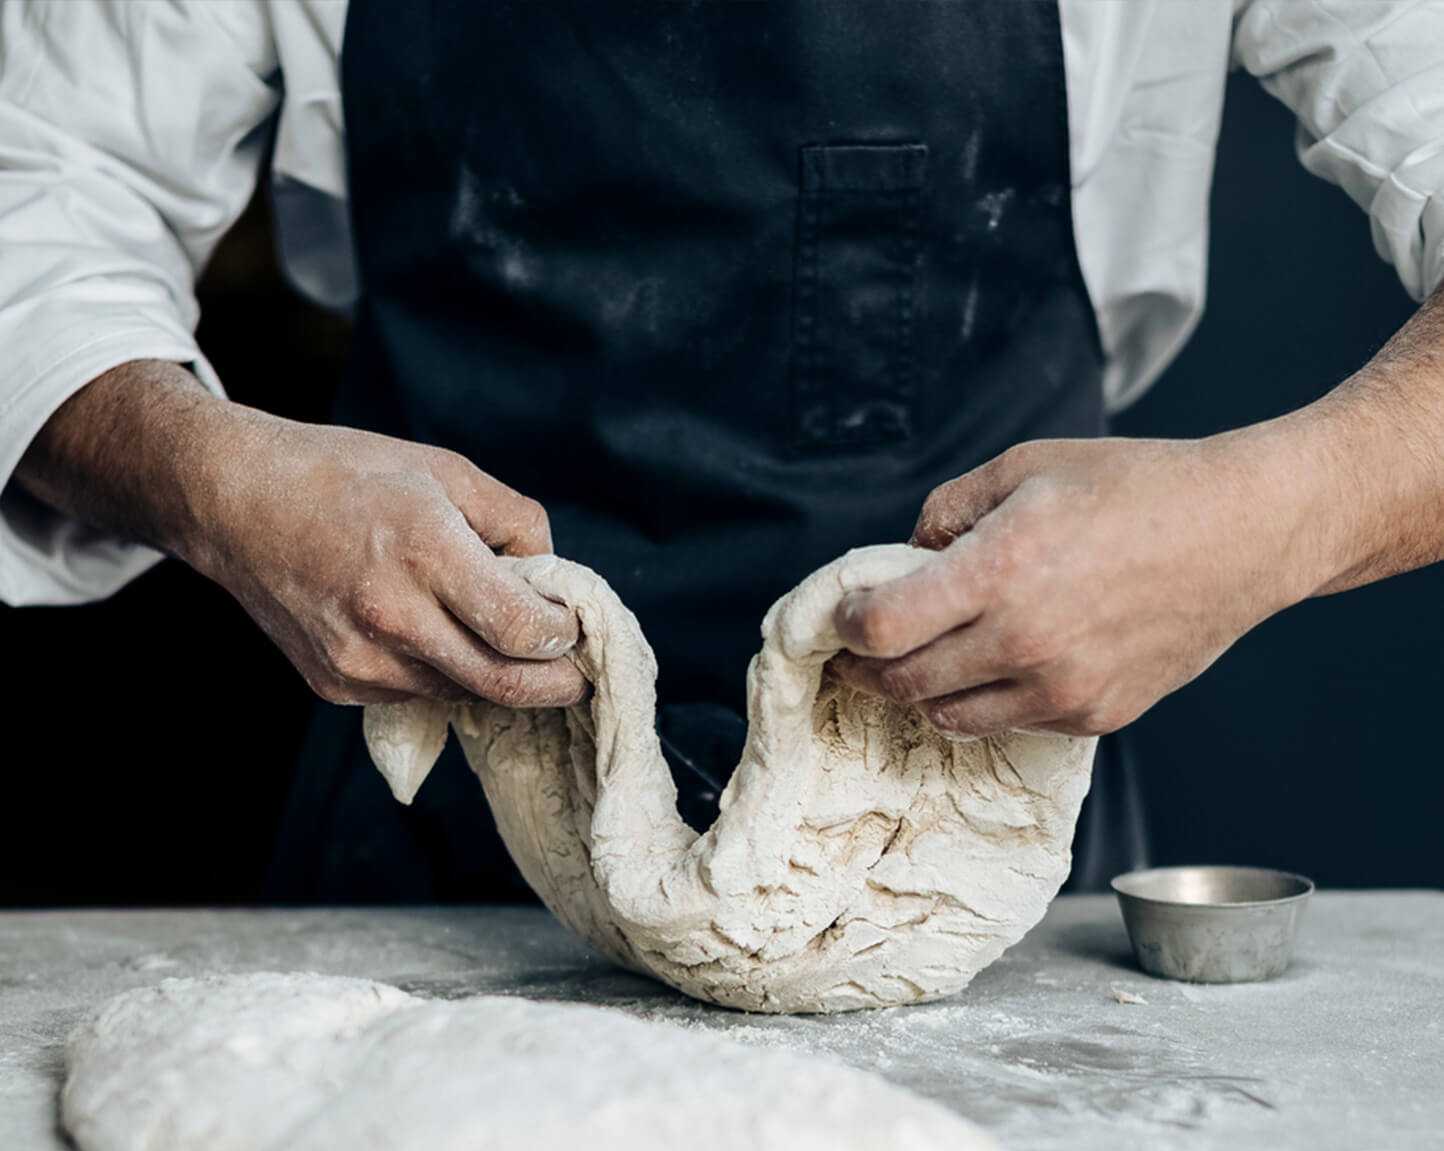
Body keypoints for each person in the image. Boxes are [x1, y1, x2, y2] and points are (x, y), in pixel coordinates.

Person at [3, 1, 1444, 899]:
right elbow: (36, 182)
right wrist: (213, 476)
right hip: (433, 800)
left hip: (979, 831)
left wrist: (1270, 517)